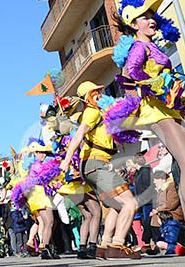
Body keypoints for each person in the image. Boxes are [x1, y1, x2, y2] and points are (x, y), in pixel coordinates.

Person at [113, 0, 185, 257]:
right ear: (134, 24)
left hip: (166, 110)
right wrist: (158, 87)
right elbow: (130, 75)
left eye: (152, 17)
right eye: (144, 18)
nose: (151, 21)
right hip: (156, 113)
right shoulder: (139, 47)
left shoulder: (152, 46)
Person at [60, 82, 141, 260]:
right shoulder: (92, 111)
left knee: (117, 206)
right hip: (95, 165)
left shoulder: (98, 112)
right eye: (94, 92)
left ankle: (104, 246)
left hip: (92, 166)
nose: (99, 93)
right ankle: (117, 246)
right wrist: (66, 161)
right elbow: (79, 135)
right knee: (131, 204)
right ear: (87, 97)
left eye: (99, 90)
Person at [149, 171, 183, 255]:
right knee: (152, 224)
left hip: (172, 214)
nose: (154, 182)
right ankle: (160, 246)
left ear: (162, 179)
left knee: (168, 232)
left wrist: (158, 210)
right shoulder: (161, 189)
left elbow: (172, 202)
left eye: (155, 180)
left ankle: (170, 246)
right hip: (164, 213)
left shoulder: (171, 186)